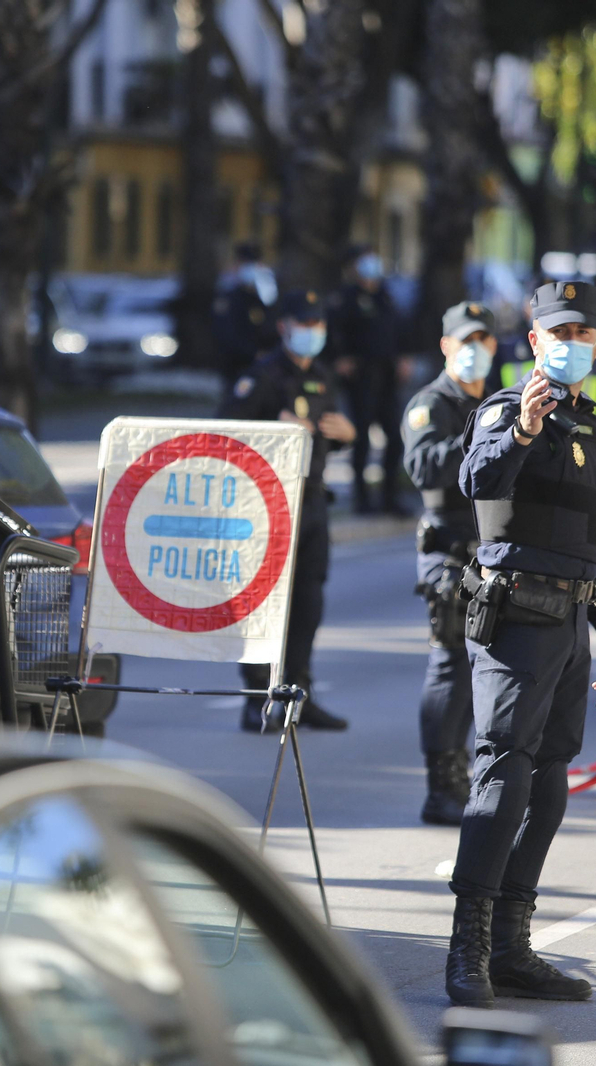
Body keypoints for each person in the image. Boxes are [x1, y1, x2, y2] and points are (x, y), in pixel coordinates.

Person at [444, 280, 596, 1007]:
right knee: (503, 776)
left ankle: (512, 947)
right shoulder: (504, 410)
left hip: (573, 624)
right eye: (561, 333)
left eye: (584, 334)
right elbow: (477, 477)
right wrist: (520, 430)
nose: (573, 344)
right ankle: (469, 948)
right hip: (516, 619)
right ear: (534, 343)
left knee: (549, 785)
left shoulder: (590, 427)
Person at [218, 289, 357, 733]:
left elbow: (329, 428)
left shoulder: (321, 375)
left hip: (312, 499)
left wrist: (347, 434)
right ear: (284, 328)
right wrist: (270, 429)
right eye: (304, 324)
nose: (312, 333)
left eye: (318, 325)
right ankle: (256, 696)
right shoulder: (260, 376)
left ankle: (299, 695)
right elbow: (227, 430)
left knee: (307, 604)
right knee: (263, 602)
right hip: (268, 503)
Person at [402, 301, 496, 825]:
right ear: (446, 346)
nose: (474, 350)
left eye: (482, 340)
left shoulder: (502, 399)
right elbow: (423, 465)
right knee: (451, 665)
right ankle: (441, 783)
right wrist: (485, 446)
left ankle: (468, 769)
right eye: (464, 341)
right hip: (449, 553)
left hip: (495, 553)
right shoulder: (431, 403)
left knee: (489, 671)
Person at [328, 244, 405, 513]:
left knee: (394, 436)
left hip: (387, 375)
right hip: (361, 376)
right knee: (361, 437)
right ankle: (362, 499)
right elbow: (335, 332)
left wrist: (403, 357)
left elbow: (398, 329)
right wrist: (341, 358)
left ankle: (389, 497)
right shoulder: (346, 298)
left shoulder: (385, 295)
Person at [213, 240, 281, 387]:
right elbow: (226, 333)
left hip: (264, 365)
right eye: (246, 263)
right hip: (236, 366)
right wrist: (252, 353)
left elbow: (273, 327)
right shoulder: (229, 297)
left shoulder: (267, 296)